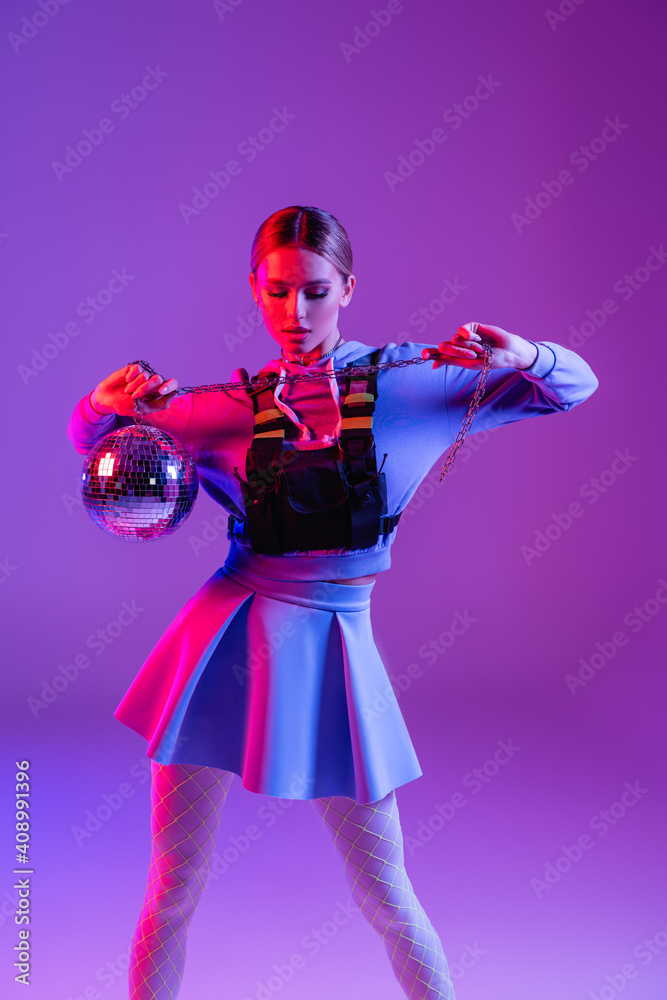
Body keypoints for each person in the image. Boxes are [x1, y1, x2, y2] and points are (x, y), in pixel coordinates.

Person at [66, 205, 599, 999]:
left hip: (336, 652)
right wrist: (97, 404)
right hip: (221, 646)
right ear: (254, 290)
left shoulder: (413, 384)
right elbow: (105, 454)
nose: (296, 314)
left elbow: (571, 387)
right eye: (277, 293)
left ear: (348, 287)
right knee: (174, 887)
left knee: (384, 895)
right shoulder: (230, 406)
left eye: (314, 292)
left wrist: (524, 353)